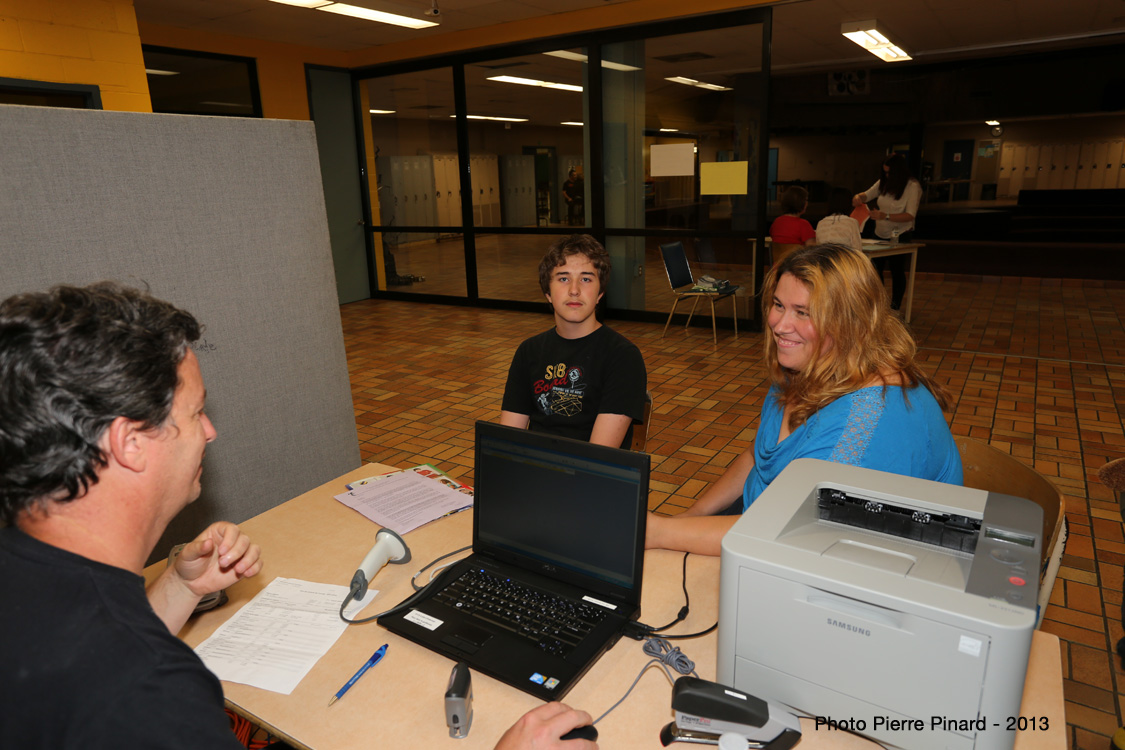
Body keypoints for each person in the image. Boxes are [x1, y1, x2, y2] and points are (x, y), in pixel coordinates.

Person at [0, 282, 597, 750]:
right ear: (130, 442)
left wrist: (178, 592)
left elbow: (98, 642)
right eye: (196, 413)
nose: (210, 433)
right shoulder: (151, 698)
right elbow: (115, 670)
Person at [645, 245, 962, 556]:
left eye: (803, 313)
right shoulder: (808, 365)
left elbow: (788, 531)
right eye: (778, 305)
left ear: (851, 322)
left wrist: (661, 531)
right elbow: (758, 457)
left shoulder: (870, 424)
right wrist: (692, 515)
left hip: (817, 555)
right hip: (764, 530)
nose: (779, 325)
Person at [501, 234, 647, 450]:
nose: (575, 290)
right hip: (534, 471)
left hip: (589, 476)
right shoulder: (529, 351)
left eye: (586, 279)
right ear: (548, 292)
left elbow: (597, 456)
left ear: (600, 293)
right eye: (563, 278)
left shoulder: (623, 357)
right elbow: (507, 441)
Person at [853, 153, 922, 310]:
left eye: (890, 172)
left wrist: (886, 216)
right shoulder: (884, 182)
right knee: (875, 270)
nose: (887, 175)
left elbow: (910, 215)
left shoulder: (912, 186)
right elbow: (867, 194)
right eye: (884, 172)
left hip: (900, 233)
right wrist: (858, 197)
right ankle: (879, 304)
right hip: (880, 233)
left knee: (897, 270)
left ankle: (895, 306)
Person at [815, 187, 864, 253]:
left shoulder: (821, 223)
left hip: (825, 261)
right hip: (843, 261)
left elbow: (818, 250)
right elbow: (858, 251)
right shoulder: (851, 223)